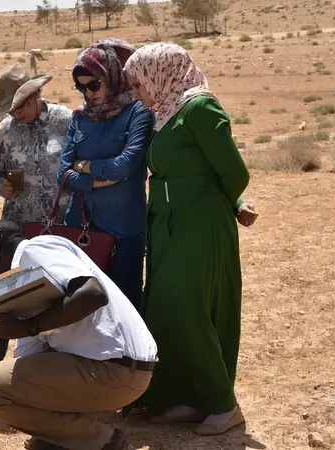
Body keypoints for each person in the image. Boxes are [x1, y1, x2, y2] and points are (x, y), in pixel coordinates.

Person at [123, 43, 259, 435]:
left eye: (137, 84)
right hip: (166, 223)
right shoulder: (164, 113)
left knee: (190, 308)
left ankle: (222, 403)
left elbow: (233, 171)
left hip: (199, 222)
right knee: (164, 309)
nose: (135, 93)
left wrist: (225, 202)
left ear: (159, 75)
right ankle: (186, 397)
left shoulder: (200, 108)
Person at [0, 220, 158, 450]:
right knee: (44, 444)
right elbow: (11, 386)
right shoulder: (30, 288)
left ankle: (106, 442)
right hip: (126, 373)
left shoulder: (36, 249)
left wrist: (29, 327)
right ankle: (78, 442)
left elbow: (93, 294)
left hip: (113, 370)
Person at [0, 62, 73, 363]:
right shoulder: (4, 132)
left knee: (61, 292)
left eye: (19, 106)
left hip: (62, 225)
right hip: (20, 227)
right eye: (10, 109)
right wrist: (1, 185)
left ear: (36, 95)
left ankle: (59, 355)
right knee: (13, 294)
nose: (15, 114)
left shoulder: (67, 121)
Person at [58, 39, 153, 310]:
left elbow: (126, 164)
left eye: (94, 84)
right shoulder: (80, 117)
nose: (88, 93)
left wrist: (85, 167)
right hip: (83, 229)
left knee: (127, 305)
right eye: (81, 86)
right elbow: (63, 175)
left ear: (113, 76)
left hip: (124, 232)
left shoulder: (138, 112)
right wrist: (100, 180)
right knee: (85, 306)